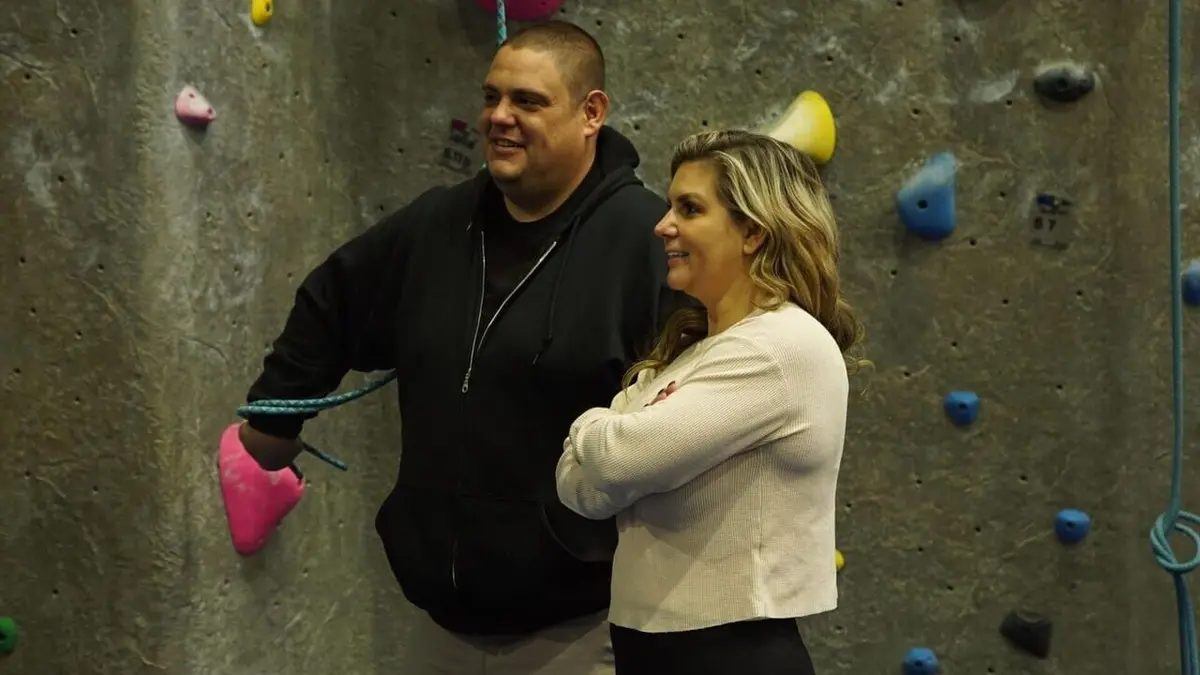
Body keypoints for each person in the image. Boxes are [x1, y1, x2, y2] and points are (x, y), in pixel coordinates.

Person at [236, 20, 690, 675]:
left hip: (585, 631)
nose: (499, 117)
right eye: (490, 97)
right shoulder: (438, 225)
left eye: (527, 101)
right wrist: (275, 415)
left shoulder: (645, 244)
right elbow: (331, 300)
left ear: (591, 113)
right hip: (441, 631)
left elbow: (690, 420)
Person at [554, 129, 869, 675]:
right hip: (653, 653)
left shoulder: (779, 347)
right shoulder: (692, 353)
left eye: (690, 208)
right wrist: (610, 442)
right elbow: (583, 492)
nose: (663, 225)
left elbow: (617, 460)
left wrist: (589, 423)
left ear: (752, 232)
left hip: (730, 655)